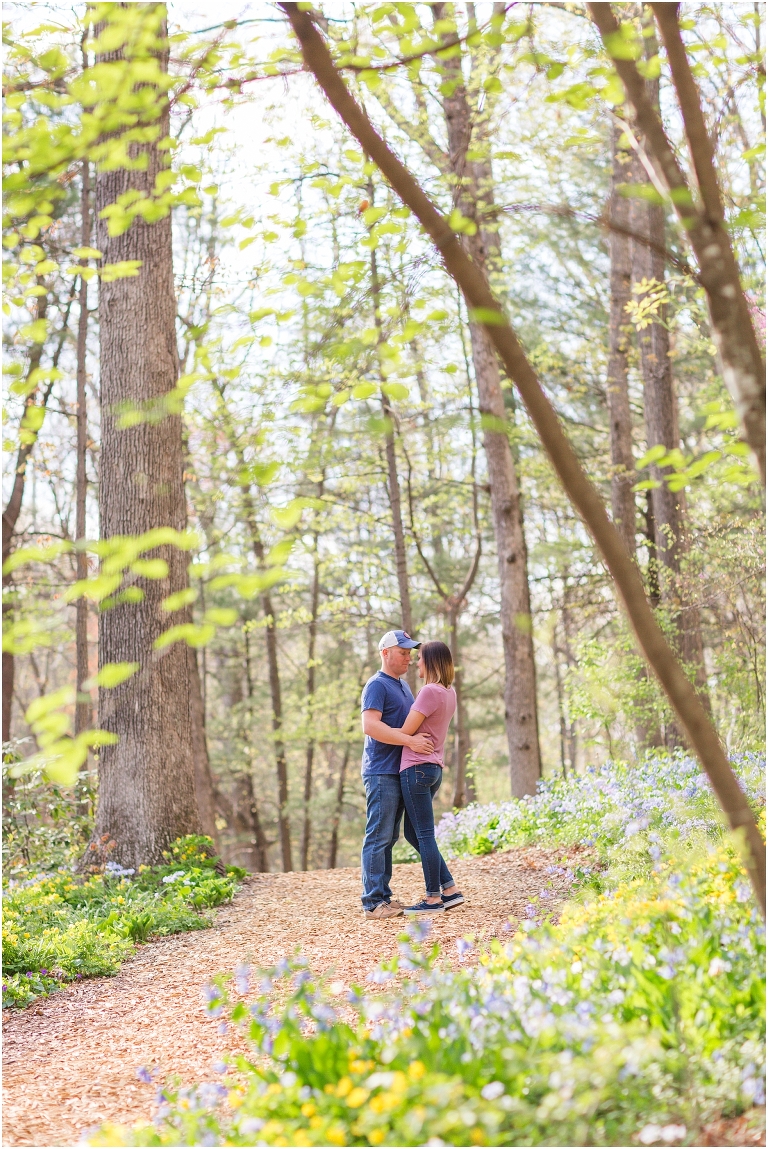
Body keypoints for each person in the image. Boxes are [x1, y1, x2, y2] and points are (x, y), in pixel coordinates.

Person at [359, 630, 434, 920]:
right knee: (378, 836)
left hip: (399, 770)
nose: (408, 657)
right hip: (380, 770)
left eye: (409, 652)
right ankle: (372, 902)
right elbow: (370, 726)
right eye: (402, 652)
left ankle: (384, 897)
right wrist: (410, 742)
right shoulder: (377, 685)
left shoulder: (403, 686)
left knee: (389, 837)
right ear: (385, 653)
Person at [396, 640, 464, 914]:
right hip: (433, 769)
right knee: (415, 833)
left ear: (432, 662)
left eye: (421, 658)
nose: (417, 663)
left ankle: (433, 898)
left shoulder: (428, 692)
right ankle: (450, 889)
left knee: (423, 834)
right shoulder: (450, 692)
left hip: (416, 767)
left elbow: (405, 730)